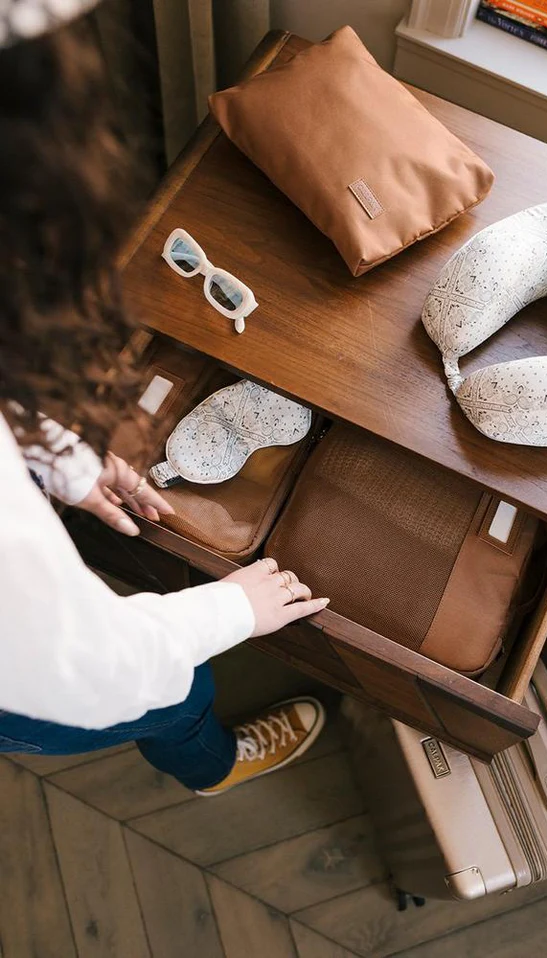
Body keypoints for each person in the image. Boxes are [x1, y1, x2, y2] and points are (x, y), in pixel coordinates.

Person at [0, 0, 329, 796]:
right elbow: (104, 671)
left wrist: (62, 463)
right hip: (47, 686)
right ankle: (209, 766)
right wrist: (233, 613)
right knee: (179, 694)